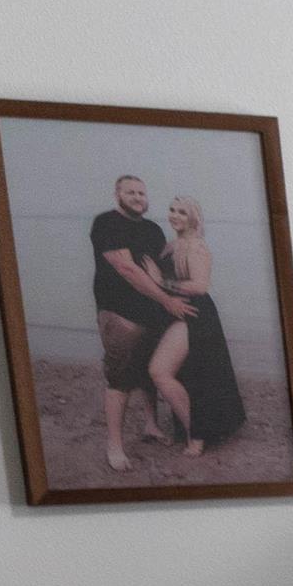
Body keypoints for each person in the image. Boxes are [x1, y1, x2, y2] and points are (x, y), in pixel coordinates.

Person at [89, 174, 194, 470]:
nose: (138, 197)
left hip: (151, 313)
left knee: (149, 372)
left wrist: (190, 245)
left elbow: (162, 269)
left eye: (142, 193)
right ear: (117, 195)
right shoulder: (107, 223)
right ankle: (115, 445)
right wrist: (166, 300)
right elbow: (127, 269)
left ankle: (151, 425)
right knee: (120, 378)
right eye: (131, 192)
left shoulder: (152, 229)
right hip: (119, 314)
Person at [160, 196, 246, 451]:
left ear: (193, 218)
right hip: (178, 312)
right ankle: (192, 432)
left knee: (170, 372)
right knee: (187, 374)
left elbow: (200, 286)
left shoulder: (196, 247)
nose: (175, 215)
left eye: (182, 212)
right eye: (172, 210)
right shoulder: (172, 245)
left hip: (195, 313)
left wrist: (161, 283)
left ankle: (196, 436)